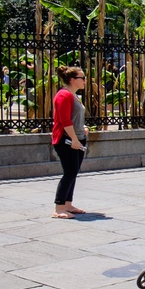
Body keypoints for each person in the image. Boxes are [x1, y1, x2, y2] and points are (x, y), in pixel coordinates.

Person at [51, 65, 89, 219]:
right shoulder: (63, 95)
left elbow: (74, 117)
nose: (85, 81)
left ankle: (67, 203)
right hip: (66, 140)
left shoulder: (73, 95)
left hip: (77, 138)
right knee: (69, 172)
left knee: (74, 172)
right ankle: (59, 207)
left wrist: (82, 128)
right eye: (82, 78)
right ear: (73, 80)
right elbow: (64, 119)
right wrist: (73, 139)